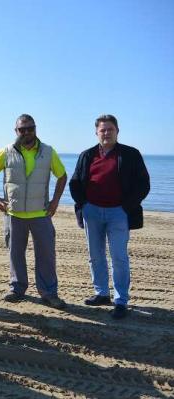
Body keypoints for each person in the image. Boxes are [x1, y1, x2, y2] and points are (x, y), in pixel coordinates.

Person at [69, 114, 150, 320]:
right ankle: (102, 294)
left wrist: (126, 207)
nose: (106, 133)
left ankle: (121, 300)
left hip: (119, 213)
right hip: (92, 212)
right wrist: (83, 205)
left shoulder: (131, 154)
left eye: (110, 129)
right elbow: (75, 183)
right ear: (96, 132)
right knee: (95, 255)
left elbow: (143, 184)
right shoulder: (87, 155)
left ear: (117, 131)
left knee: (119, 257)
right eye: (102, 130)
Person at [0, 114, 67, 309]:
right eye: (21, 129)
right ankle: (17, 288)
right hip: (14, 215)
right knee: (15, 254)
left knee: (46, 255)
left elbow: (62, 176)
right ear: (16, 131)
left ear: (35, 129)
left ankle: (49, 292)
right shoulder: (7, 151)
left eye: (29, 128)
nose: (26, 132)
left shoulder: (48, 151)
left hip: (41, 214)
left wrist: (55, 202)